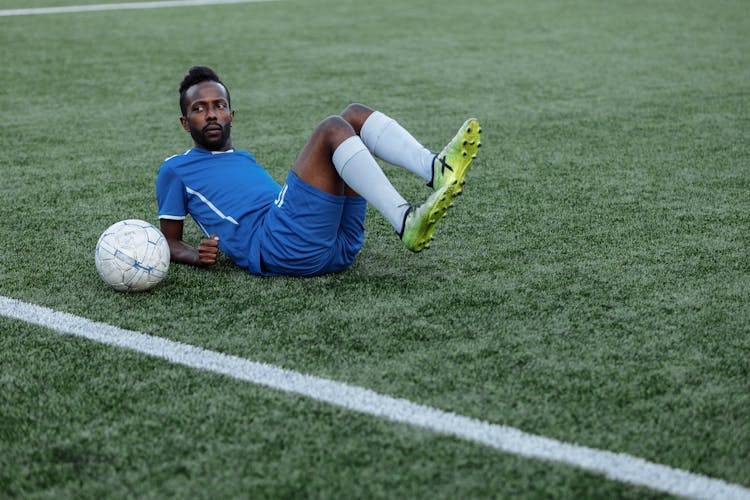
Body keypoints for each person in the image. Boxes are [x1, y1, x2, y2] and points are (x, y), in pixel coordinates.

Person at [156, 66, 481, 277]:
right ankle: (405, 220)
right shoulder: (176, 168)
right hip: (277, 246)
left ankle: (436, 168)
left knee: (353, 115)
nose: (211, 114)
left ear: (231, 115)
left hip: (339, 245)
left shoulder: (243, 158)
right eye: (199, 109)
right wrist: (194, 255)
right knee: (332, 129)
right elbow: (169, 240)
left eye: (219, 106)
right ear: (185, 123)